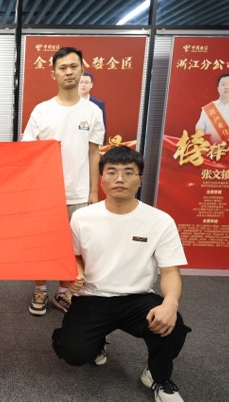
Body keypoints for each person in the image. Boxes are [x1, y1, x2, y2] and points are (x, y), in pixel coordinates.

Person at [52, 146, 191, 402]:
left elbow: (170, 270)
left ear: (140, 179)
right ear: (101, 179)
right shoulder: (82, 217)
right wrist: (77, 273)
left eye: (128, 172)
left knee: (173, 326)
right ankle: (97, 342)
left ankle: (158, 376)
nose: (119, 179)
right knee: (74, 352)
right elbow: (75, 255)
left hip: (137, 297)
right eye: (112, 172)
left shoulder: (160, 220)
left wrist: (171, 303)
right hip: (93, 296)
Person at [22, 47, 105, 316]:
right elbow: (28, 150)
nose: (69, 72)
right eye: (63, 68)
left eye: (73, 66)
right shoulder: (42, 110)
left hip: (78, 192)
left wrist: (93, 192)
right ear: (54, 74)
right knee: (40, 244)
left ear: (82, 70)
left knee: (73, 247)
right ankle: (40, 289)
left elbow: (94, 152)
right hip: (44, 193)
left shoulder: (92, 111)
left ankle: (63, 291)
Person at [195, 72, 229, 143]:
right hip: (210, 149)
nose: (227, 87)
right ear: (218, 88)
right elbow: (199, 130)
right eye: (223, 84)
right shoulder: (208, 109)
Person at [78, 71, 107, 142]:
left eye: (86, 82)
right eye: (81, 82)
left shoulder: (98, 104)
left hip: (91, 143)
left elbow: (101, 129)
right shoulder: (68, 102)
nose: (83, 85)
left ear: (91, 85)